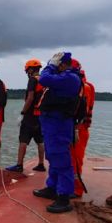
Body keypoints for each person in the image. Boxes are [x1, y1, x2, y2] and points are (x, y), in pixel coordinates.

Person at [32, 52, 81, 213]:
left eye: (57, 64)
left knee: (61, 159)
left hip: (59, 123)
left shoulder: (70, 78)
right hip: (52, 122)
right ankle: (52, 188)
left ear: (63, 64)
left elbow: (44, 78)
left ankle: (64, 197)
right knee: (52, 157)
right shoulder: (64, 77)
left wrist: (50, 65)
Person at [5, 59, 46, 173]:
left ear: (31, 70)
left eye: (27, 70)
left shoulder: (33, 80)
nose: (27, 73)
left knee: (23, 140)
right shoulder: (44, 80)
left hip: (30, 115)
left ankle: (19, 165)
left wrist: (22, 113)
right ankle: (41, 164)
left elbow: (30, 98)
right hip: (40, 115)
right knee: (40, 141)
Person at [69, 59, 95, 197]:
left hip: (78, 129)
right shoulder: (83, 85)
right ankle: (69, 186)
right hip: (76, 128)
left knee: (76, 161)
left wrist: (76, 129)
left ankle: (76, 189)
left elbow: (80, 112)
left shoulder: (83, 87)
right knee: (70, 159)